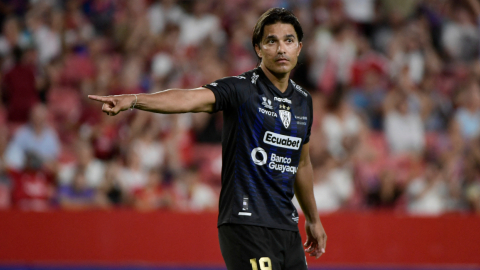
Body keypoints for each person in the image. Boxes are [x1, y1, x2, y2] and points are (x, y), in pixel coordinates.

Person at [89, 8, 327, 270]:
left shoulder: (303, 101)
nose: (281, 48)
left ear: (299, 47)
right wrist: (134, 100)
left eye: (288, 40)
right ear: (258, 49)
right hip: (245, 223)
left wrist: (313, 219)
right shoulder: (242, 89)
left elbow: (302, 164)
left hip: (286, 226)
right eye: (272, 41)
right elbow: (189, 98)